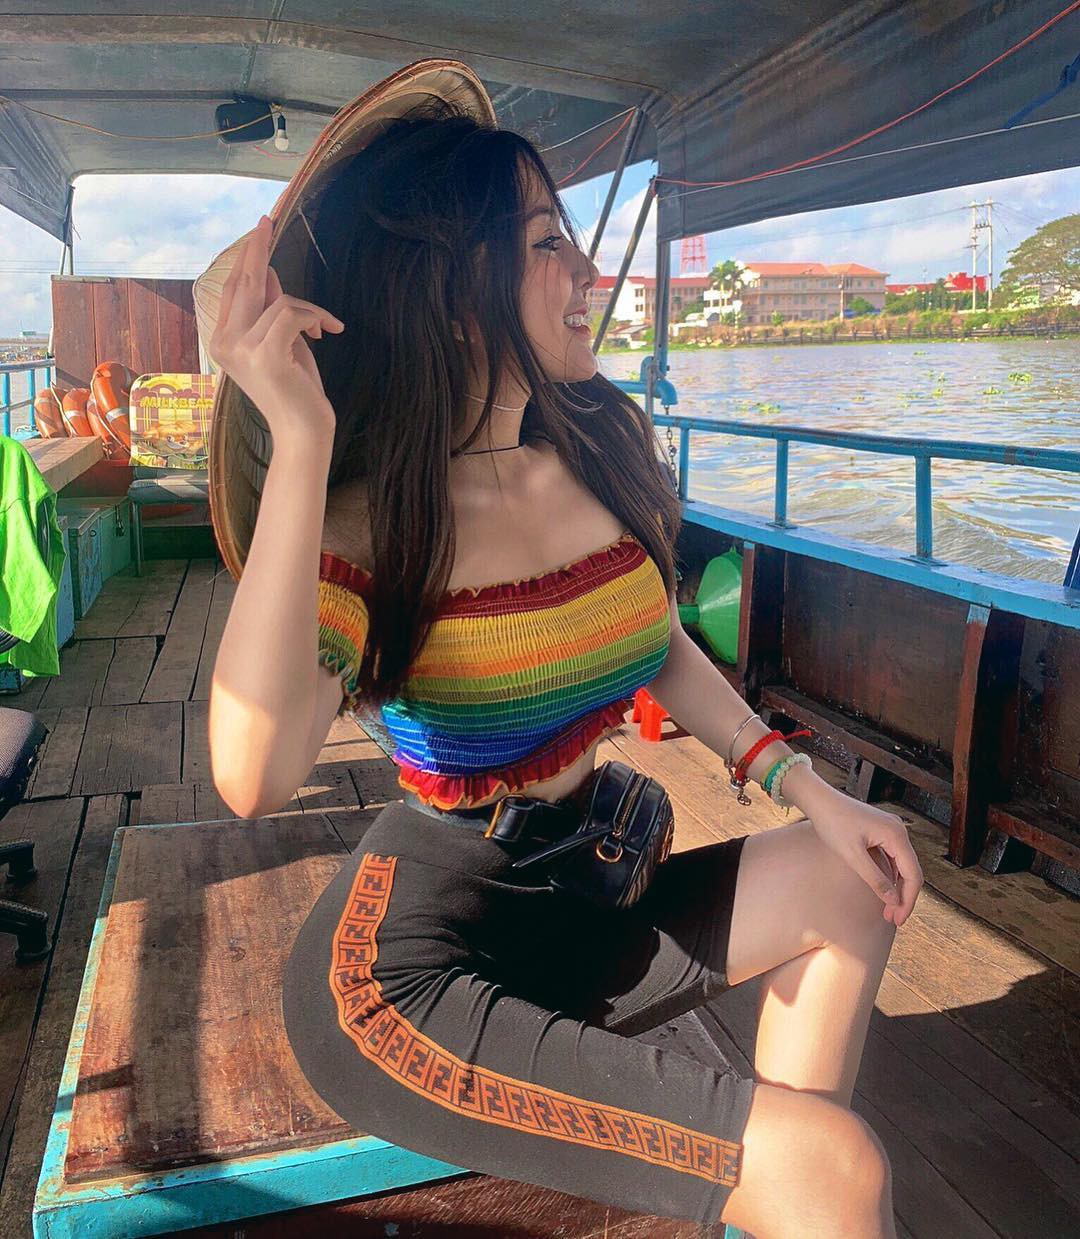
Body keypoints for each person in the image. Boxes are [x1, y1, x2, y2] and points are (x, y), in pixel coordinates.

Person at [206, 90, 922, 1237]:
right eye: (547, 243)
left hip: (593, 889)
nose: (587, 270)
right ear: (455, 295)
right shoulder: (370, 525)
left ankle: (773, 1197)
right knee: (836, 1169)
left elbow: (655, 639)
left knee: (855, 882)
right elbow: (253, 771)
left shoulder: (583, 454)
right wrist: (299, 438)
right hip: (417, 974)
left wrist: (806, 787)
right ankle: (794, 1184)